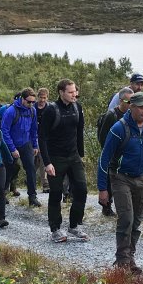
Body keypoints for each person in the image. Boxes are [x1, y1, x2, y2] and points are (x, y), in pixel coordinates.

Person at [98, 91, 143, 273]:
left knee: (137, 220)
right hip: (120, 178)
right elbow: (104, 158)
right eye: (141, 106)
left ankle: (130, 256)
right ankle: (122, 260)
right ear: (131, 107)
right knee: (126, 218)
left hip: (142, 179)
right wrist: (103, 188)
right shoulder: (119, 129)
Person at [39, 79, 88, 243]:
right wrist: (47, 163)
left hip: (73, 156)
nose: (75, 94)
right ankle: (55, 229)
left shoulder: (77, 107)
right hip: (56, 158)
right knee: (56, 193)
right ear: (61, 92)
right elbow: (42, 138)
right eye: (71, 92)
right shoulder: (51, 110)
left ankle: (74, 226)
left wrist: (81, 154)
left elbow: (79, 131)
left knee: (81, 189)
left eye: (75, 91)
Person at [0, 88, 41, 206]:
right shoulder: (11, 111)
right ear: (22, 99)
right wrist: (12, 149)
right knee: (9, 169)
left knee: (31, 169)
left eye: (33, 102)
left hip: (26, 143)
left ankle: (32, 197)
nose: (31, 104)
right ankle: (3, 193)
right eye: (29, 101)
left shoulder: (32, 111)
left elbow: (34, 130)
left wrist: (35, 145)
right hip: (11, 144)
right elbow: (5, 131)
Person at [96, 87, 134, 217]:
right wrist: (109, 152)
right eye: (127, 101)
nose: (130, 105)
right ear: (120, 101)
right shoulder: (111, 115)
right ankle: (106, 206)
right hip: (112, 153)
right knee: (109, 179)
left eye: (132, 102)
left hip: (125, 155)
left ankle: (127, 208)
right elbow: (103, 136)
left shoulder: (131, 116)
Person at [34, 88, 51, 194]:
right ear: (38, 97)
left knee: (43, 158)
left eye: (44, 98)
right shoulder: (33, 107)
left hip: (45, 137)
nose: (42, 100)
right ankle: (30, 177)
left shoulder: (49, 108)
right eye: (41, 97)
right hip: (33, 135)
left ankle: (45, 183)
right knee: (34, 160)